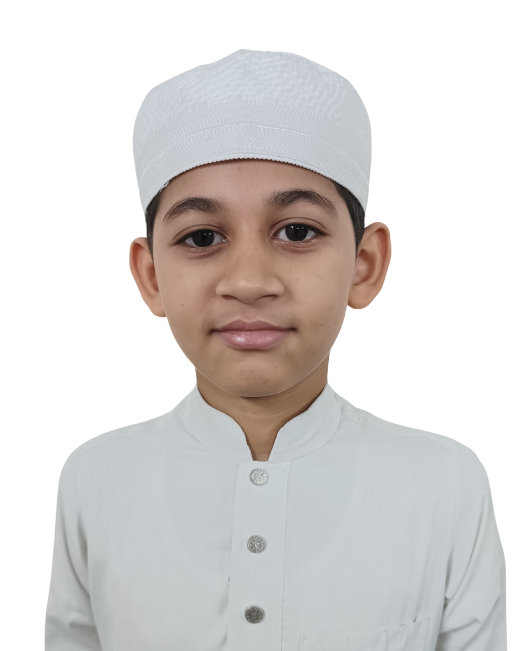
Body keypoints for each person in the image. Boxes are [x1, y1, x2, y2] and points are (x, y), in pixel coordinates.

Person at [45, 49, 506, 650]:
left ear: (365, 264)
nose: (249, 281)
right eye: (202, 238)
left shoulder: (444, 487)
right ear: (151, 275)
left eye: (297, 231)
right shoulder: (97, 481)